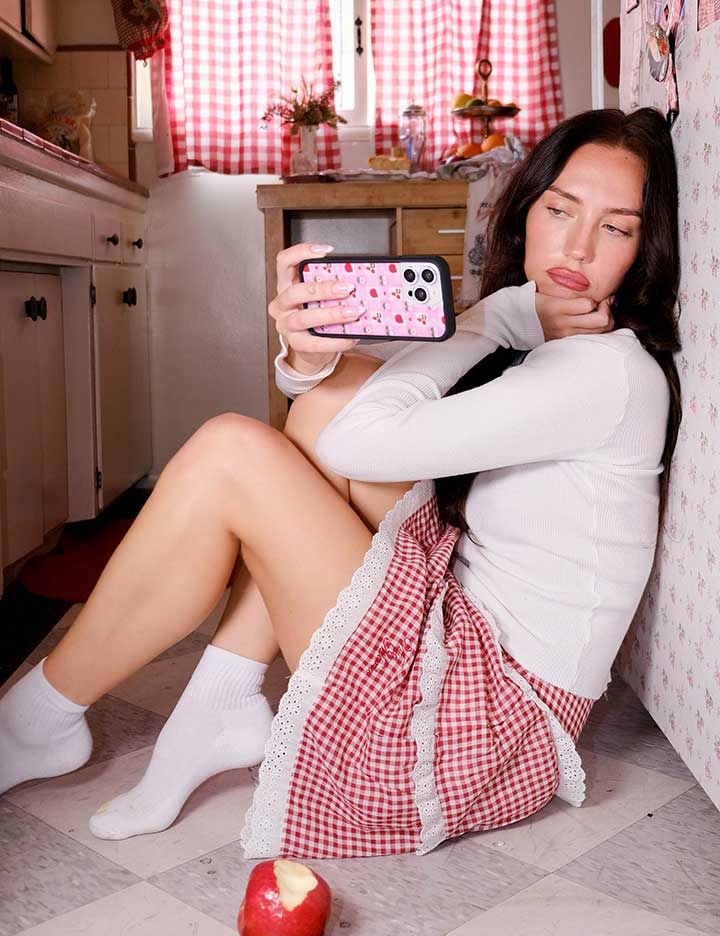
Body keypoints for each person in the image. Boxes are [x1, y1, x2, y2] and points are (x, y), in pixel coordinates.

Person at [0, 107, 681, 861]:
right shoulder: (557, 340)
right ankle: (220, 702)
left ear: (643, 250)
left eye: (615, 227)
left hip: (480, 731)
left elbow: (360, 440)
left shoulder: (604, 375)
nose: (578, 247)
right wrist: (309, 356)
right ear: (527, 211)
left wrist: (491, 320)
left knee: (233, 451)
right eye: (560, 210)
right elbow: (338, 412)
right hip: (465, 639)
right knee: (332, 393)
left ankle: (42, 718)